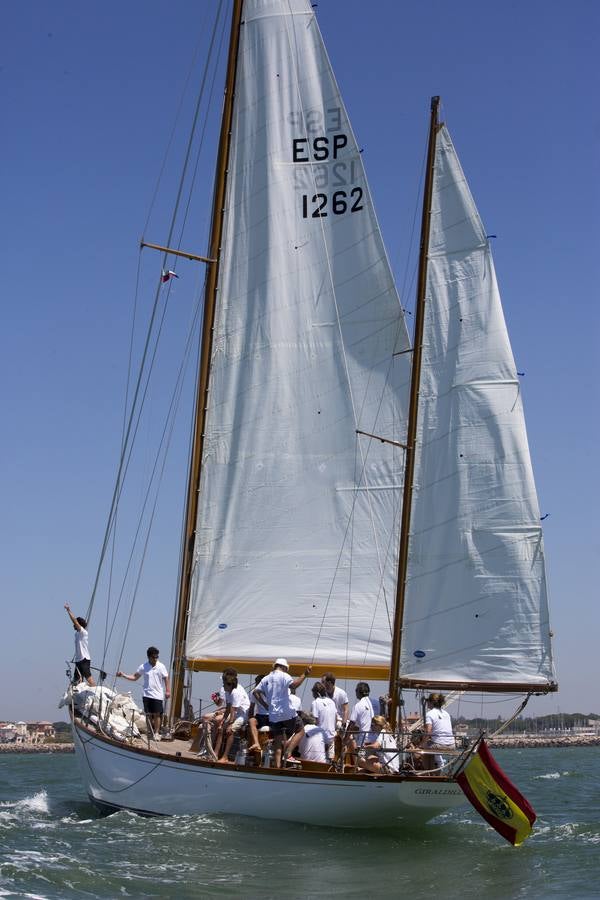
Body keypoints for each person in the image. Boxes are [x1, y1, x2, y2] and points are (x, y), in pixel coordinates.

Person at [253, 658, 312, 768]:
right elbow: (294, 685)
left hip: (273, 716)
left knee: (278, 742)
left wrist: (266, 705)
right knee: (300, 730)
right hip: (287, 714)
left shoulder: (266, 678)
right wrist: (305, 674)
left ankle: (277, 767)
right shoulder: (284, 676)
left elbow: (255, 692)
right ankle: (288, 753)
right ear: (284, 667)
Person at [117, 647, 170, 740]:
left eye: (157, 657)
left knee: (157, 714)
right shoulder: (143, 666)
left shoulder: (161, 666)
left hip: (158, 695)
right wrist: (123, 675)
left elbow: (166, 678)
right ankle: (150, 732)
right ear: (149, 657)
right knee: (148, 714)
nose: (156, 659)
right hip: (147, 694)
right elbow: (134, 677)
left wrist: (168, 690)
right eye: (154, 657)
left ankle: (156, 733)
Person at [216, 669, 250, 763]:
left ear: (228, 684)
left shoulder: (236, 692)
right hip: (234, 713)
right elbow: (228, 708)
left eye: (223, 682)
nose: (222, 685)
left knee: (230, 730)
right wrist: (222, 722)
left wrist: (230, 724)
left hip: (242, 714)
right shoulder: (228, 691)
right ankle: (215, 753)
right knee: (221, 728)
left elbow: (233, 710)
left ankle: (225, 757)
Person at [420, 692, 455, 769]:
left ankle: (426, 772)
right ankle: (436, 768)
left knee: (423, 749)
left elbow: (428, 732)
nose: (427, 703)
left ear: (431, 702)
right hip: (452, 745)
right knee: (430, 745)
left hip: (439, 745)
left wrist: (421, 745)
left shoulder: (429, 714)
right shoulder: (446, 714)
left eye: (428, 701)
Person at [64, 603, 95, 686]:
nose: (73, 625)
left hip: (84, 659)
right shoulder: (77, 634)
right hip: (78, 660)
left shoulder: (83, 632)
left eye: (75, 624)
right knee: (77, 681)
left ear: (79, 624)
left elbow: (74, 620)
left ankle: (96, 691)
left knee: (88, 677)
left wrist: (68, 610)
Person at [345, 682, 374, 757]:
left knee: (359, 761)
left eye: (356, 691)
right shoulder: (373, 704)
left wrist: (345, 738)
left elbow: (351, 724)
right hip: (374, 741)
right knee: (368, 760)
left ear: (358, 692)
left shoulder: (358, 705)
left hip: (363, 743)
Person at [310, 682, 337, 758]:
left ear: (317, 693)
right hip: (332, 736)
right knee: (330, 761)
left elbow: (314, 721)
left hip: (321, 738)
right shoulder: (332, 702)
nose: (312, 695)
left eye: (313, 693)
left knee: (320, 760)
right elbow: (335, 719)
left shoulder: (315, 702)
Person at [247, 674, 269, 752]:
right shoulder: (254, 692)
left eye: (257, 683)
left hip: (272, 716)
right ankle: (256, 743)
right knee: (251, 721)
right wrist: (249, 719)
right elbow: (251, 707)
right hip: (260, 716)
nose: (256, 685)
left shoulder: (270, 691)